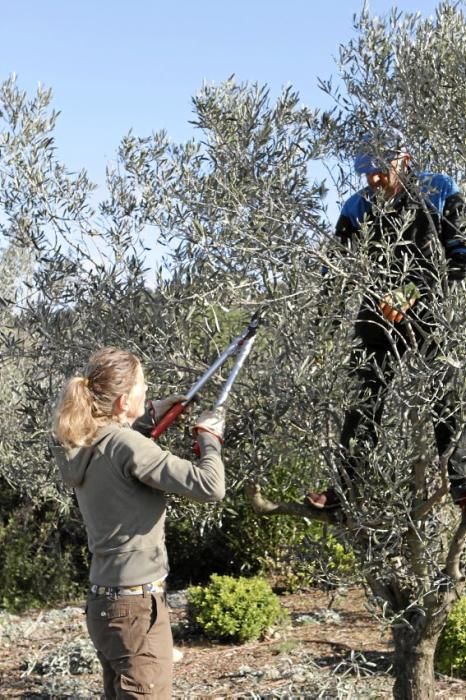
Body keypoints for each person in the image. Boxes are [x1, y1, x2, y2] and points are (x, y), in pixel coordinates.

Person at [51, 347, 226, 699]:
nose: (148, 392)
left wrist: (145, 416)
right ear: (121, 402)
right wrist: (210, 439)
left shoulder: (80, 441)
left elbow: (115, 446)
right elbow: (210, 486)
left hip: (106, 607)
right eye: (142, 387)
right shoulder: (126, 445)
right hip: (136, 610)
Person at [306, 129, 466, 513]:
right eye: (367, 172)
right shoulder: (356, 207)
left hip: (431, 310)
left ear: (403, 161)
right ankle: (343, 493)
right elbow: (337, 273)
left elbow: (460, 253)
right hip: (377, 313)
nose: (375, 179)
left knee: (443, 395)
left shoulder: (439, 189)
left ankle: (463, 485)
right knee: (364, 398)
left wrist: (414, 292)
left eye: (381, 170)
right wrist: (323, 330)